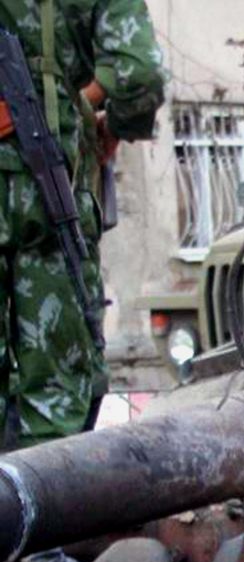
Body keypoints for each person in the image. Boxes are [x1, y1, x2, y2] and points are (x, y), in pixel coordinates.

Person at [0, 0, 164, 449]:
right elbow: (139, 74)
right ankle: (40, 509)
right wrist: (117, 125)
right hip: (47, 188)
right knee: (58, 399)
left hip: (45, 177)